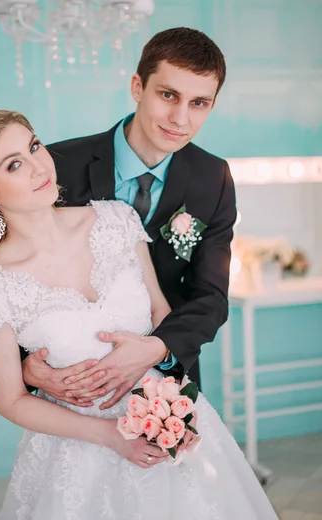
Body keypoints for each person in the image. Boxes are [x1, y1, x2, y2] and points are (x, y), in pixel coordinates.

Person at [0, 109, 278, 519]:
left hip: (167, 421)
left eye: (34, 145)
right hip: (77, 453)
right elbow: (12, 401)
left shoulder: (116, 219)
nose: (40, 164)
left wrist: (167, 403)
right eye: (14, 164)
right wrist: (110, 435)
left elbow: (161, 310)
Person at [22, 27, 236, 411]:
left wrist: (155, 349)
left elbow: (211, 297)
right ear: (138, 86)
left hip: (166, 380)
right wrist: (26, 366)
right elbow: (17, 280)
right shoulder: (57, 166)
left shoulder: (213, 178)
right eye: (168, 95)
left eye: (199, 103)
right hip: (70, 378)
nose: (180, 118)